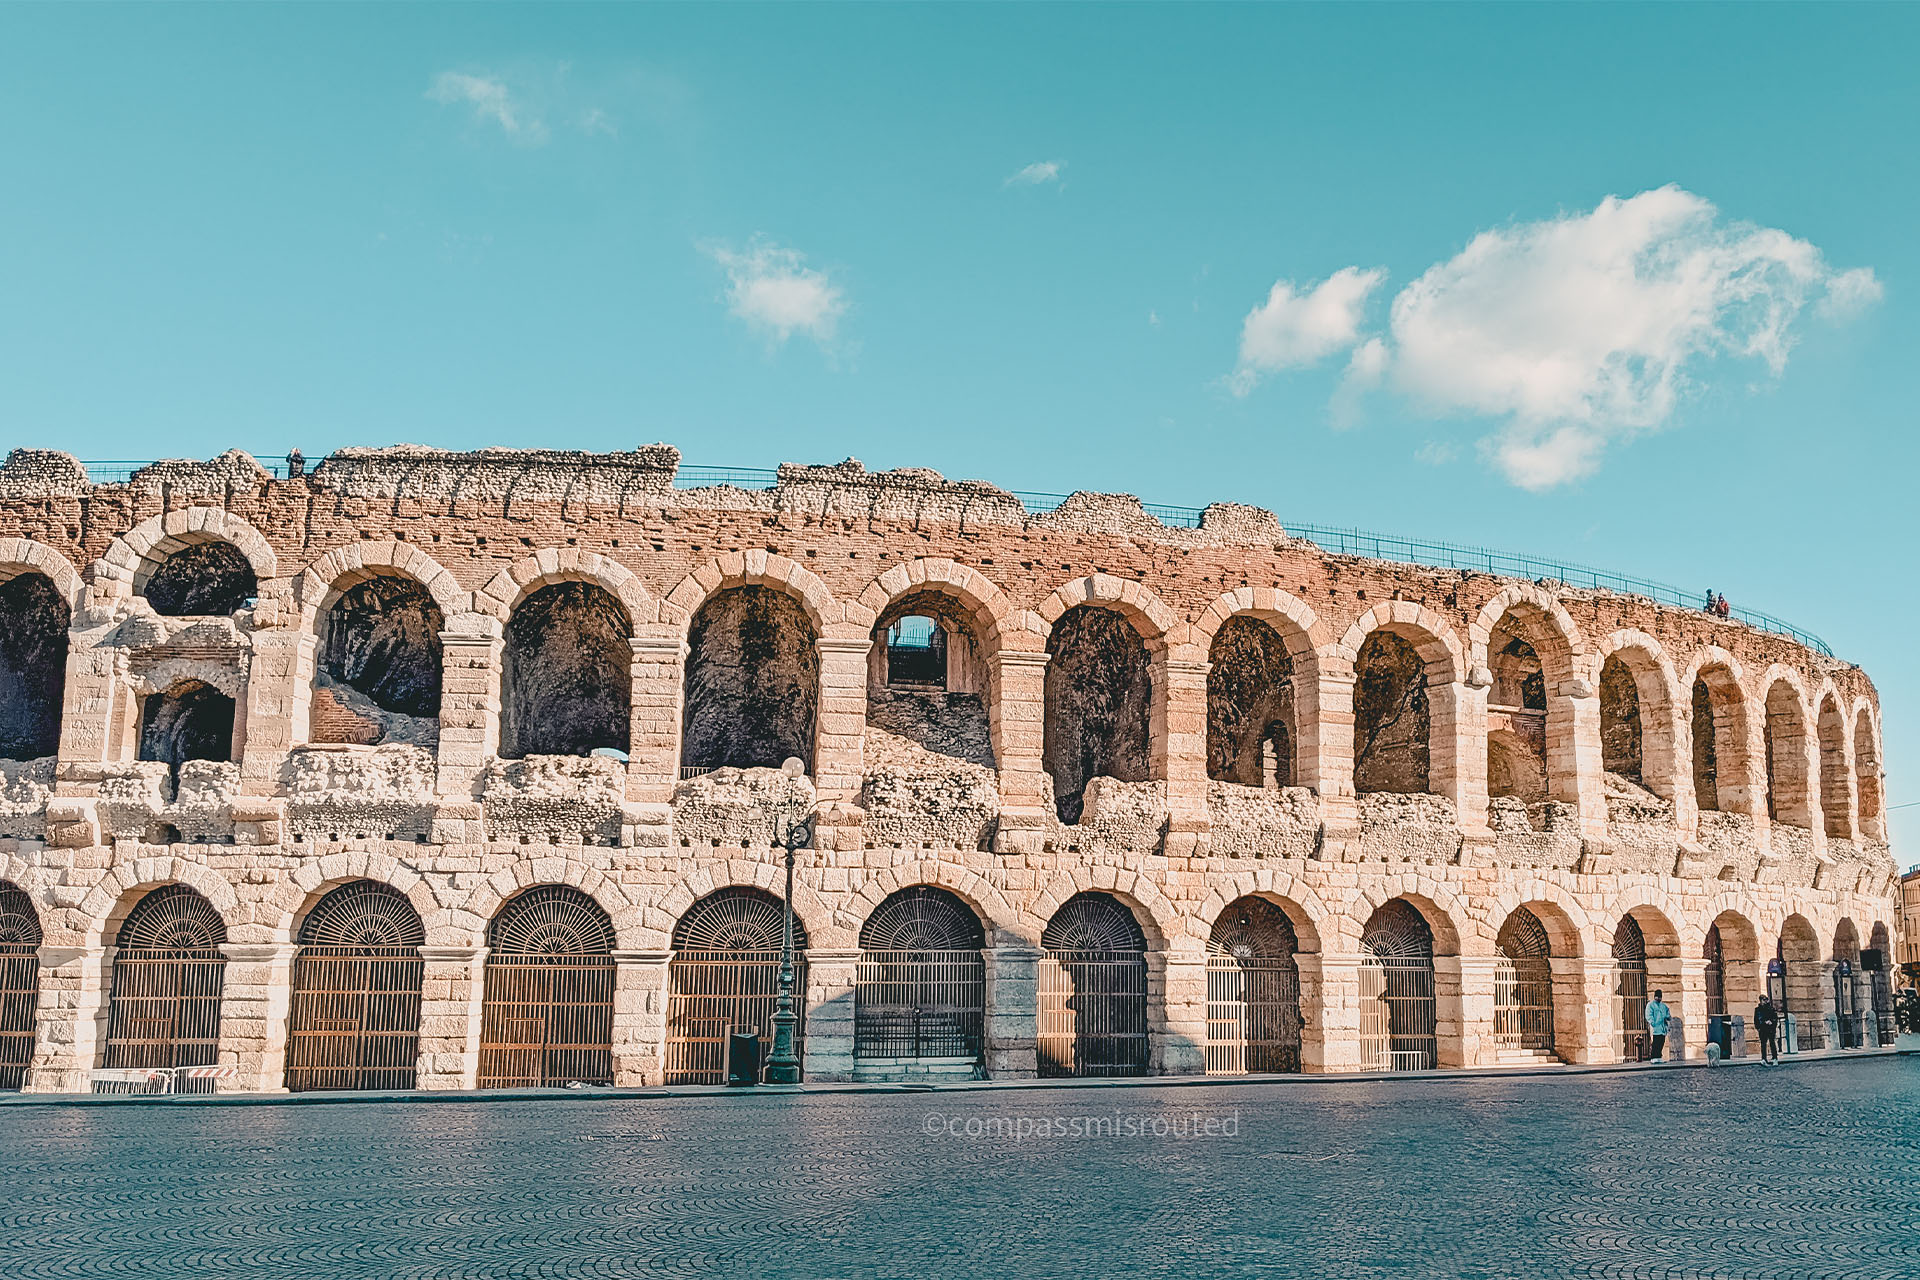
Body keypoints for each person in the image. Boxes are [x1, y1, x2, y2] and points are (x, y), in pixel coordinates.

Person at [1645, 989, 1671, 1061]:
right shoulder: (1651, 1005)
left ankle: (1659, 1057)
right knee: (1655, 1043)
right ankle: (1654, 1057)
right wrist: (1653, 1023)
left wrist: (1667, 1017)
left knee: (1661, 1042)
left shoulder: (1663, 1006)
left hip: (1662, 1028)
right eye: (1657, 997)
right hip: (1655, 1028)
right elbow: (1648, 1015)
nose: (1658, 998)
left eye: (1660, 997)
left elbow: (1668, 1014)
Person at [1755, 993, 1781, 1063]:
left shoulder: (1770, 1008)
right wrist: (1759, 1027)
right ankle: (1764, 1058)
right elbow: (1756, 1019)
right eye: (1763, 1000)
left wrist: (1771, 1023)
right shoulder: (1757, 1009)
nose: (1764, 1001)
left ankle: (1775, 1058)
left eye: (1765, 1000)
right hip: (1762, 1029)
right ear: (1760, 1001)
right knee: (1763, 1044)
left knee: (1772, 1043)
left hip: (1770, 1029)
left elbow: (1775, 1018)